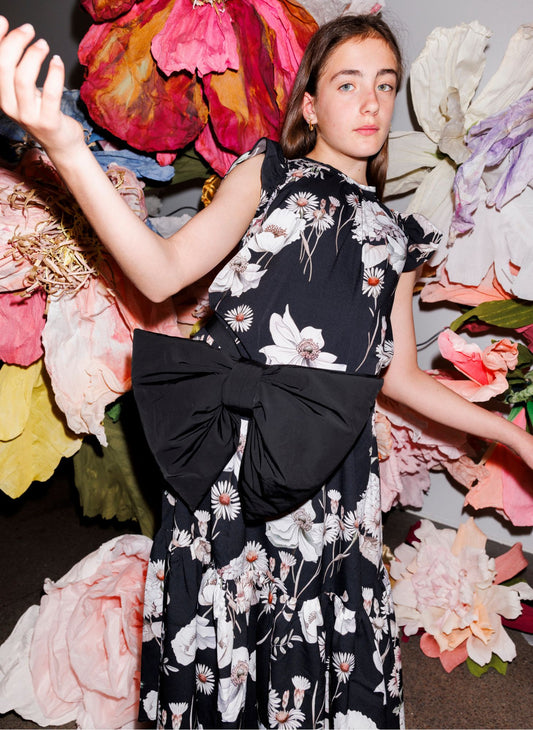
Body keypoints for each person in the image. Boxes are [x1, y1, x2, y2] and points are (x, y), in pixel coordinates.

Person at [1, 11, 532, 730]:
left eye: (384, 84)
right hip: (233, 448)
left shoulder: (396, 238)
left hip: (330, 466)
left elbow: (401, 377)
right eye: (347, 84)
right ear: (309, 105)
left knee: (312, 642)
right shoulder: (268, 174)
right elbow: (160, 272)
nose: (371, 102)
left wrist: (511, 435)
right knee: (222, 632)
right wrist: (67, 147)